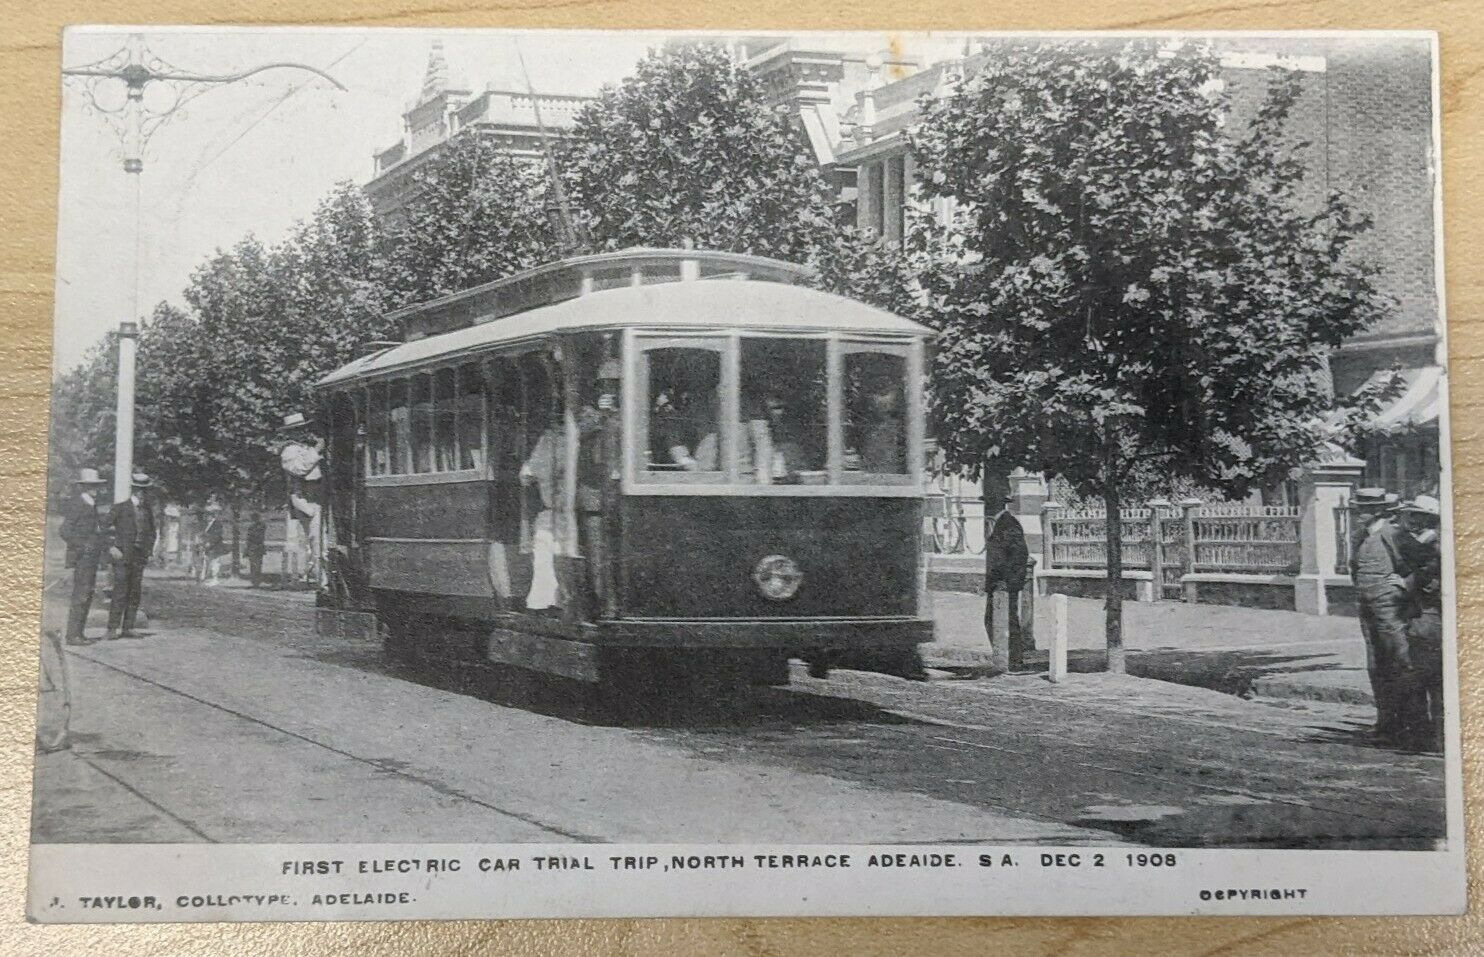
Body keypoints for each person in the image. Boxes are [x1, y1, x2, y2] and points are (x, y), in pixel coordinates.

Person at [1350, 487, 1429, 745]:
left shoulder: (1394, 535)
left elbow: (1429, 563)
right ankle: (1387, 723)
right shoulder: (1361, 536)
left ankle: (1416, 727)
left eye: (1364, 510)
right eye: (1358, 508)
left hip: (1392, 610)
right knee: (1377, 666)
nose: (1358, 514)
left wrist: (1407, 583)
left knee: (1402, 663)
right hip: (1368, 609)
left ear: (1378, 511)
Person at [1397, 495, 1444, 751]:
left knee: (1421, 678)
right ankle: (1435, 737)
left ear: (1428, 517)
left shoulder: (1428, 545)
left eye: (1416, 515)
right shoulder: (1431, 541)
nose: (1412, 519)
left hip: (1426, 617)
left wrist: (1404, 584)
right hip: (1429, 616)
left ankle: (1425, 737)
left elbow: (1423, 579)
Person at [59, 468, 113, 645]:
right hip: (81, 557)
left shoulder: (91, 504)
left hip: (91, 558)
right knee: (81, 595)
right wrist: (83, 546)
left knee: (87, 594)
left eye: (96, 485)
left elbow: (96, 532)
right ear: (83, 486)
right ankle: (73, 635)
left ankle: (79, 633)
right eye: (91, 486)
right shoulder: (78, 504)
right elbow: (65, 531)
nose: (95, 489)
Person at [984, 493, 1031, 671]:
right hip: (996, 586)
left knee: (1007, 621)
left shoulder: (1010, 525)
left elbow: (1019, 556)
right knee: (993, 620)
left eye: (989, 503)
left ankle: (1013, 660)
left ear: (996, 505)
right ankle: (1006, 658)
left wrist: (1007, 583)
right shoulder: (997, 524)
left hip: (1004, 586)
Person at [106, 473, 155, 639]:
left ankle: (128, 627)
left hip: (139, 556)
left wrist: (148, 550)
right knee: (120, 591)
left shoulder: (147, 510)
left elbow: (152, 532)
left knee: (135, 592)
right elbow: (102, 529)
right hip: (122, 555)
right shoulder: (120, 507)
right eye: (139, 490)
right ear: (133, 490)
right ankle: (112, 629)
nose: (142, 493)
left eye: (145, 490)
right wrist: (111, 547)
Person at [279, 412, 324, 587]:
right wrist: (316, 450)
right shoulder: (289, 451)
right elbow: (299, 469)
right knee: (315, 538)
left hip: (317, 497)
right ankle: (317, 578)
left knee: (317, 539)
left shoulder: (304, 447)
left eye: (302, 429)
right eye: (296, 430)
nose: (301, 433)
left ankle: (318, 575)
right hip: (305, 500)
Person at [245, 511, 268, 589]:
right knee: (253, 565)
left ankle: (256, 581)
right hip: (253, 548)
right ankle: (254, 581)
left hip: (257, 547)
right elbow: (248, 538)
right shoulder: (252, 526)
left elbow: (256, 536)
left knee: (257, 565)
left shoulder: (260, 526)